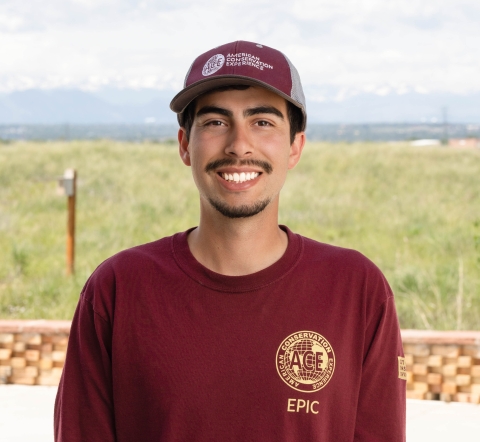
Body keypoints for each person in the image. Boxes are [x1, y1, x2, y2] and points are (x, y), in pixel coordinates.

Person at [54, 41, 406, 441]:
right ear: (186, 145)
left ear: (295, 147)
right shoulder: (118, 287)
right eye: (216, 122)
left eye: (262, 122)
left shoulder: (356, 289)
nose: (239, 145)